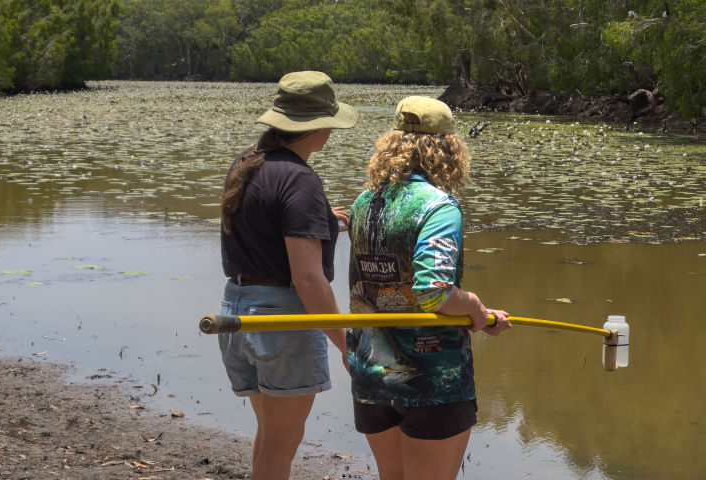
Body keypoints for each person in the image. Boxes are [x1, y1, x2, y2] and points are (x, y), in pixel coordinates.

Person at [347, 96, 511, 480]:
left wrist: (474, 314)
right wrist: (475, 307)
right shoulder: (439, 206)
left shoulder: (364, 201)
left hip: (371, 374)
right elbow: (434, 291)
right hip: (432, 380)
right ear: (448, 148)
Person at [217, 71, 358, 480]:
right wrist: (345, 342)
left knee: (272, 434)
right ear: (319, 127)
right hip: (282, 321)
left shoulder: (248, 161)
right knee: (283, 442)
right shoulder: (300, 179)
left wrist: (322, 222)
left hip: (237, 310)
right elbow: (308, 279)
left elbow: (263, 226)